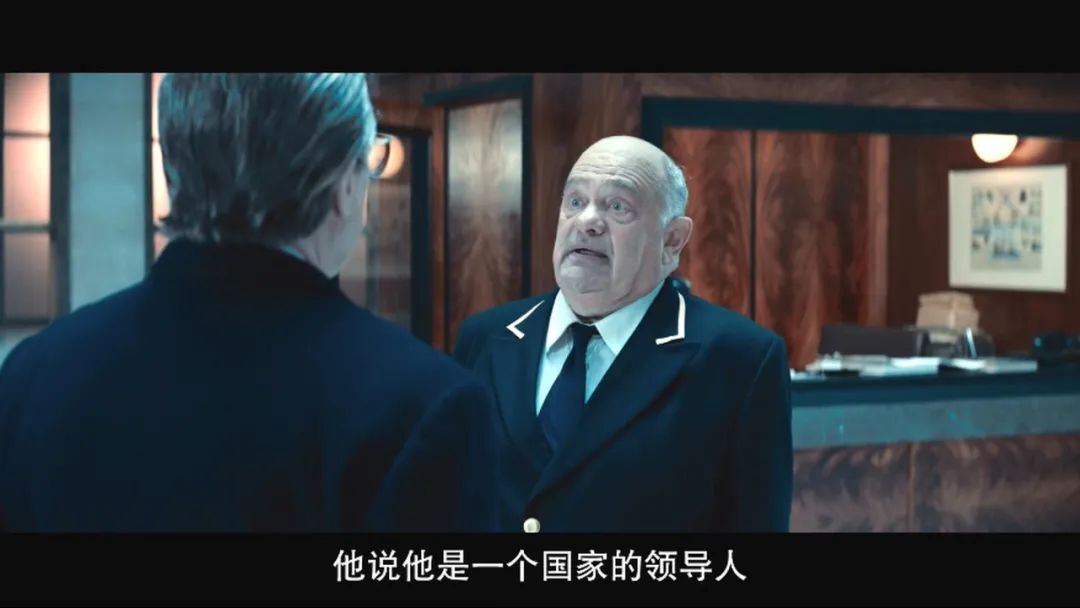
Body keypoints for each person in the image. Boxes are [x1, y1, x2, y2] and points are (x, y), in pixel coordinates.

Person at [0, 73, 499, 532]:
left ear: (174, 169)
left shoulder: (33, 375)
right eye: (368, 158)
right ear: (342, 184)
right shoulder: (424, 409)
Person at [453, 135, 792, 532]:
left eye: (618, 206)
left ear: (672, 240)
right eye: (575, 201)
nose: (587, 221)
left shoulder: (739, 360)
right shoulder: (486, 338)